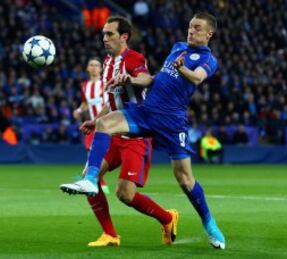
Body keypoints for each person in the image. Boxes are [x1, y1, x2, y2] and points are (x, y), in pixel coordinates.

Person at [63, 12, 225, 249]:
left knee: (184, 179)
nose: (191, 31)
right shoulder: (178, 47)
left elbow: (197, 79)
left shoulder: (208, 59)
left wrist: (182, 70)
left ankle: (210, 225)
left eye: (197, 28)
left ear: (209, 33)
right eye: (190, 26)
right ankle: (89, 180)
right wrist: (130, 79)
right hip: (146, 112)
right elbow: (153, 79)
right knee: (104, 123)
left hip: (172, 122)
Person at [60, 16, 178, 247]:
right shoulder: (106, 62)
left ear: (123, 37)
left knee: (125, 194)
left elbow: (146, 79)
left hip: (135, 135)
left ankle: (167, 217)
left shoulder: (133, 58)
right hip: (113, 133)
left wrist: (131, 79)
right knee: (89, 176)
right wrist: (96, 120)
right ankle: (110, 234)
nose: (104, 38)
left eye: (109, 34)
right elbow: (112, 100)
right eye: (103, 34)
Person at [73, 57, 110, 193]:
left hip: (107, 124)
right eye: (91, 65)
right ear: (88, 69)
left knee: (100, 156)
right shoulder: (85, 86)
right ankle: (99, 184)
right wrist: (78, 110)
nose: (94, 67)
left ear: (101, 69)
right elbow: (85, 103)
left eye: (96, 65)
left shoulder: (106, 84)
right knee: (92, 154)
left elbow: (110, 102)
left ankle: (91, 179)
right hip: (92, 126)